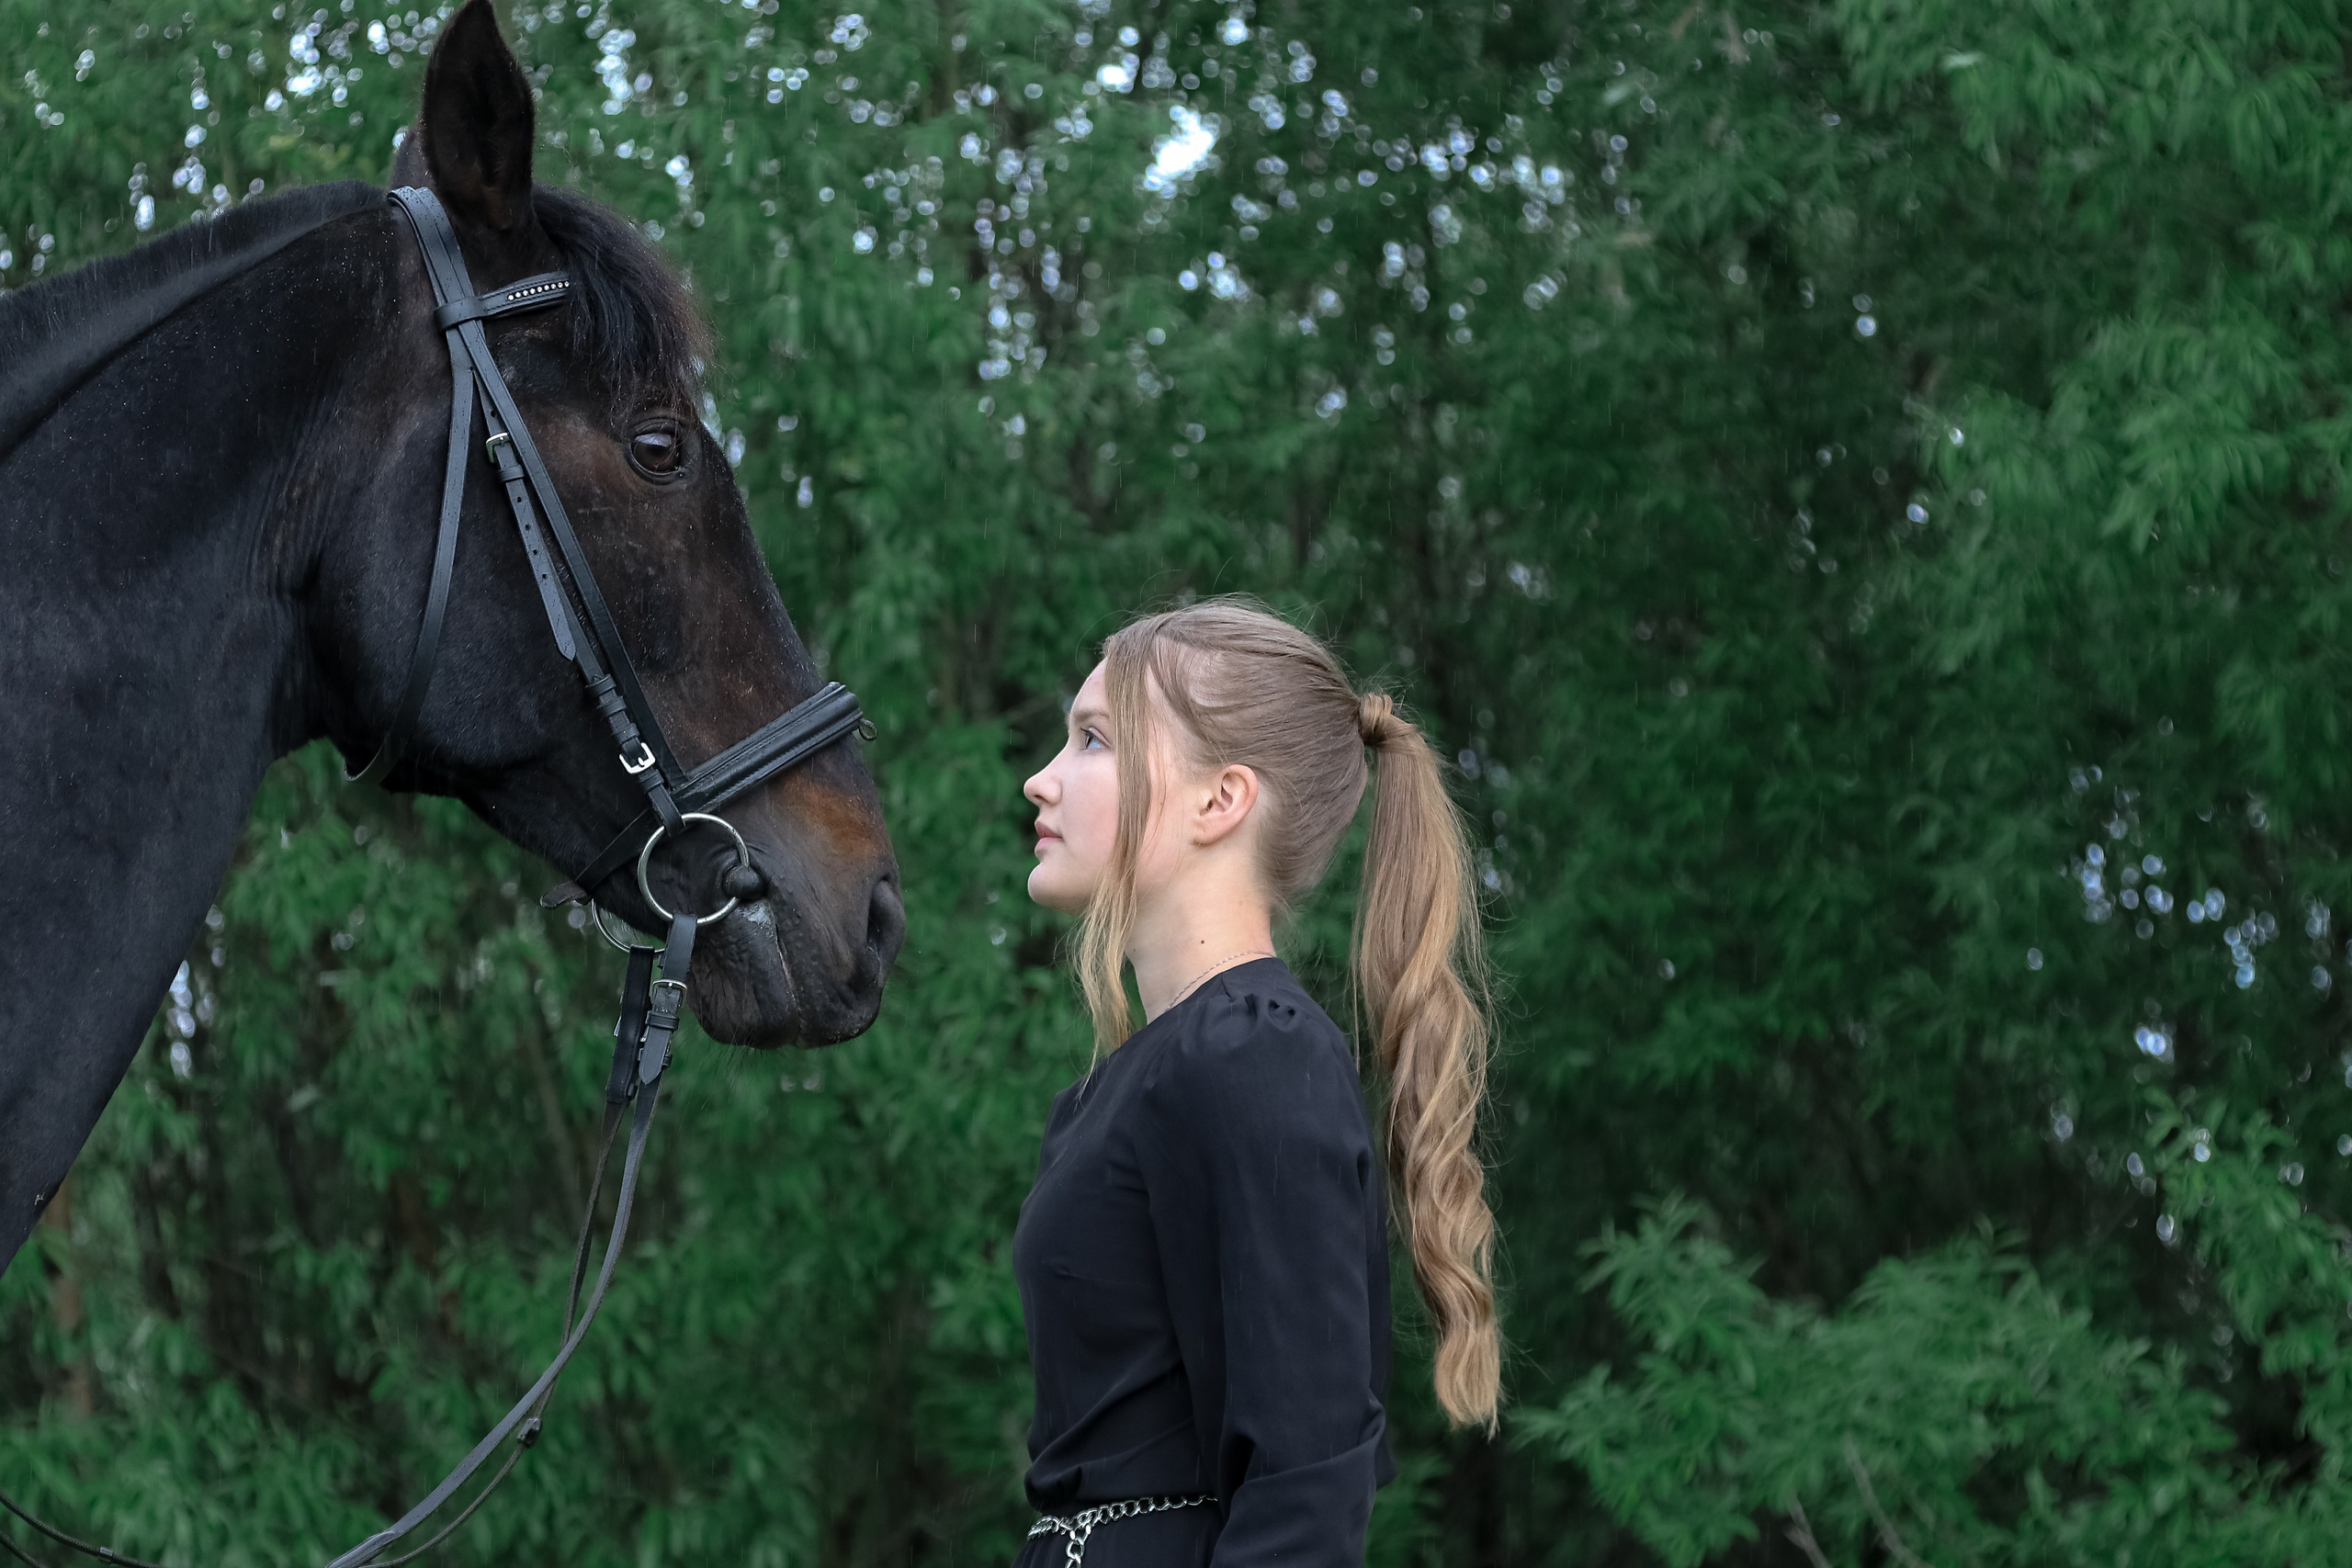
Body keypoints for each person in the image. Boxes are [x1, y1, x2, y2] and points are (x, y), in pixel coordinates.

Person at [1012, 597, 1499, 1566]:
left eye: (1094, 741)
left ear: (1218, 800)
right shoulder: (1139, 1080)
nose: (1041, 780)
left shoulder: (1255, 1056)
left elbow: (1305, 1497)